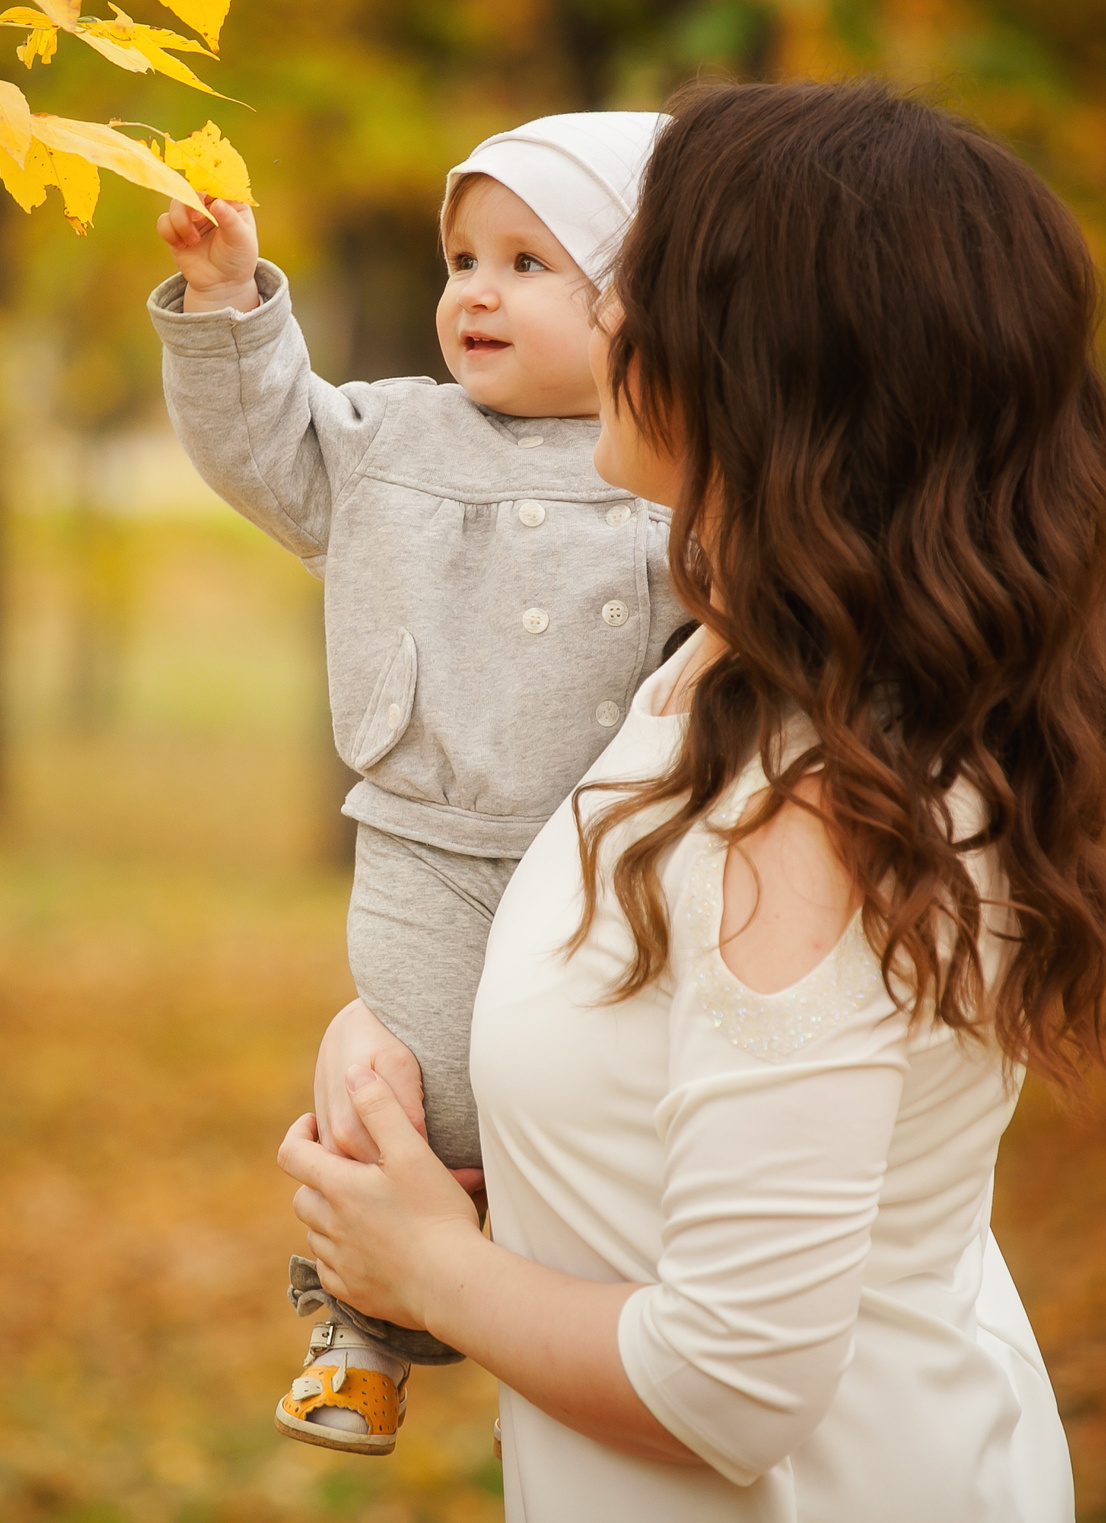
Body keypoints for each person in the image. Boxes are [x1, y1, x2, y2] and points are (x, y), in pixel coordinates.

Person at [280, 79, 1106, 1519]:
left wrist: (422, 1269)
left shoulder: (811, 810)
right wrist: (424, 1046)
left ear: (763, 363)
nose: (606, 317)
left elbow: (733, 1383)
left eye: (642, 280)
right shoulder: (724, 668)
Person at [148, 113, 691, 1454]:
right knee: (409, 1083)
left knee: (593, 1087)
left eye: (528, 261)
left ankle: (582, 1305)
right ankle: (370, 1327)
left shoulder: (687, 478)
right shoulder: (390, 440)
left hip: (615, 848)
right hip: (428, 845)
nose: (476, 292)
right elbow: (263, 442)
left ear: (644, 302)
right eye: (460, 260)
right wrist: (227, 304)